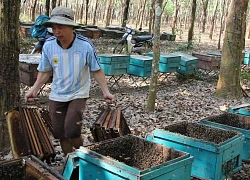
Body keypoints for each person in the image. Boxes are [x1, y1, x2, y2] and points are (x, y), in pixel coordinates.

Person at [25, 6, 115, 156]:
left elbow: (96, 69)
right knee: (60, 132)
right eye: (54, 27)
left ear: (71, 27)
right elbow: (45, 71)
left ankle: (82, 156)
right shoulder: (49, 45)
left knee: (72, 130)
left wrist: (106, 91)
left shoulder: (85, 45)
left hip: (78, 93)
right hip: (57, 93)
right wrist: (33, 89)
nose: (56, 31)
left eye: (60, 27)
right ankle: (69, 160)